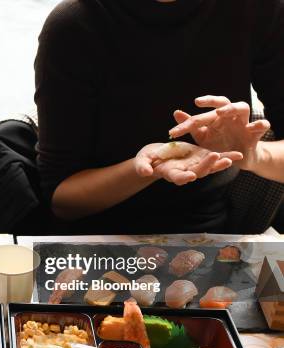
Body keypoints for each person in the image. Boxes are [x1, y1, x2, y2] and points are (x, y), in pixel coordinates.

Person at [35, 0, 284, 234]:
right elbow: (61, 199)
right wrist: (143, 168)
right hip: (93, 238)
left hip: (211, 231)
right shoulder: (75, 25)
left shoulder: (258, 8)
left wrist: (253, 155)